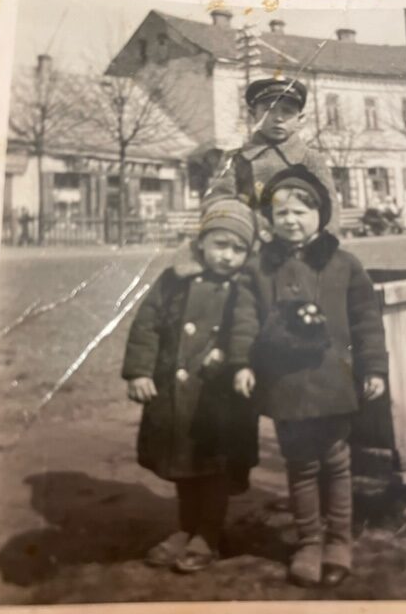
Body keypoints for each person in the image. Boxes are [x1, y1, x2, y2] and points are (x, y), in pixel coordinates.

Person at [229, 164, 388, 587]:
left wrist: (373, 368)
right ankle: (308, 543)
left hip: (333, 381)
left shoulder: (344, 265)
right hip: (285, 385)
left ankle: (338, 542)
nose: (291, 221)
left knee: (336, 463)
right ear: (270, 220)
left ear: (320, 215)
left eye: (301, 212)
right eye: (281, 214)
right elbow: (243, 320)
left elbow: (366, 322)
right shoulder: (257, 268)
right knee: (299, 466)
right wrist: (242, 363)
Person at [122, 197, 258, 574]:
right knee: (183, 462)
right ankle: (186, 528)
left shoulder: (245, 287)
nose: (228, 256)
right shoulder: (174, 280)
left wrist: (233, 359)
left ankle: (209, 534)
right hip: (177, 390)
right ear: (201, 244)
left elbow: (249, 331)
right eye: (220, 245)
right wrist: (140, 372)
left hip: (219, 396)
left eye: (238, 249)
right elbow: (146, 325)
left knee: (214, 466)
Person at [205, 76, 340, 236]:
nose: (278, 118)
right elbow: (218, 205)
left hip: (302, 248)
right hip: (251, 248)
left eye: (288, 111)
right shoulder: (235, 159)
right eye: (268, 110)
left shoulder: (311, 159)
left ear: (300, 118)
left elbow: (330, 211)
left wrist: (320, 249)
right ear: (252, 114)